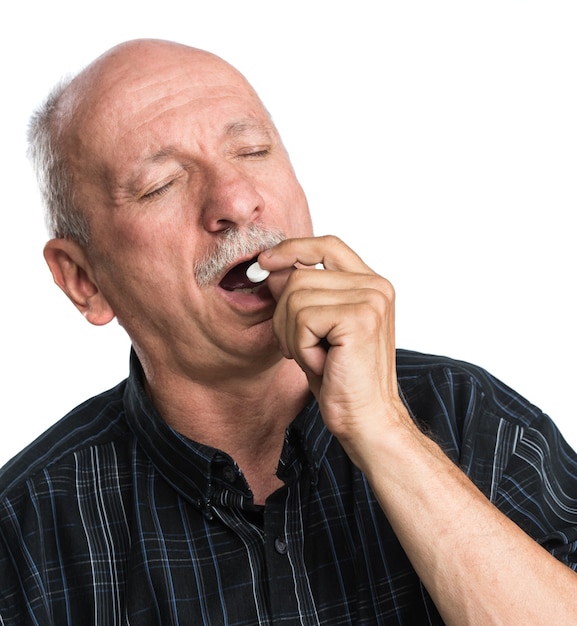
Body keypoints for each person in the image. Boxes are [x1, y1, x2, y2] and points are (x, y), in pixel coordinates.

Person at [1, 38, 576, 625]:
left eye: (252, 151)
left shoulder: (475, 420)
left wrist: (384, 432)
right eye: (162, 184)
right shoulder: (23, 534)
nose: (237, 201)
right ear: (82, 280)